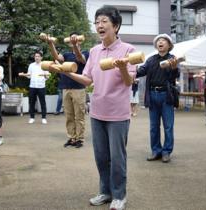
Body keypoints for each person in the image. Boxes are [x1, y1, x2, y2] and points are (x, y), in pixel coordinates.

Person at [51, 6, 135, 210]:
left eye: (104, 21)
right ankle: (105, 192)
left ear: (115, 26)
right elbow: (87, 79)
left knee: (117, 158)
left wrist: (123, 66)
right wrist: (66, 72)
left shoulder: (128, 50)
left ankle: (119, 196)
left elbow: (128, 81)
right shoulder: (95, 51)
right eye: (97, 22)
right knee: (101, 156)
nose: (99, 25)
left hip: (118, 114)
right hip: (97, 111)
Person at [136, 33, 180, 163]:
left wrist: (173, 67)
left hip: (166, 95)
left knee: (168, 126)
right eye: (158, 41)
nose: (160, 42)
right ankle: (156, 150)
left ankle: (166, 151)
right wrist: (129, 67)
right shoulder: (151, 59)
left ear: (169, 45)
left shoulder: (173, 59)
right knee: (154, 126)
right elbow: (141, 71)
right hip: (152, 95)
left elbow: (175, 75)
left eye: (163, 41)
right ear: (156, 45)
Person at [42, 32, 89, 148]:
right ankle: (71, 138)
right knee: (69, 115)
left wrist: (76, 46)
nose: (73, 41)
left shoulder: (85, 53)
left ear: (80, 41)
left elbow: (80, 59)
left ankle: (80, 139)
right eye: (72, 40)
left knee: (79, 115)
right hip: (66, 88)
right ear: (69, 43)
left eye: (76, 39)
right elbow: (57, 57)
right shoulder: (67, 54)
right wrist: (51, 44)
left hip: (79, 88)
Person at [19, 52, 49, 124]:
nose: (37, 57)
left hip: (41, 86)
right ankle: (32, 117)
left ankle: (44, 118)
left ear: (41, 57)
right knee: (31, 102)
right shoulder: (31, 65)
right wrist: (24, 74)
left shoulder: (44, 65)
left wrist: (45, 75)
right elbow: (29, 75)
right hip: (32, 86)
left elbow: (47, 77)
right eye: (35, 56)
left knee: (42, 103)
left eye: (38, 56)